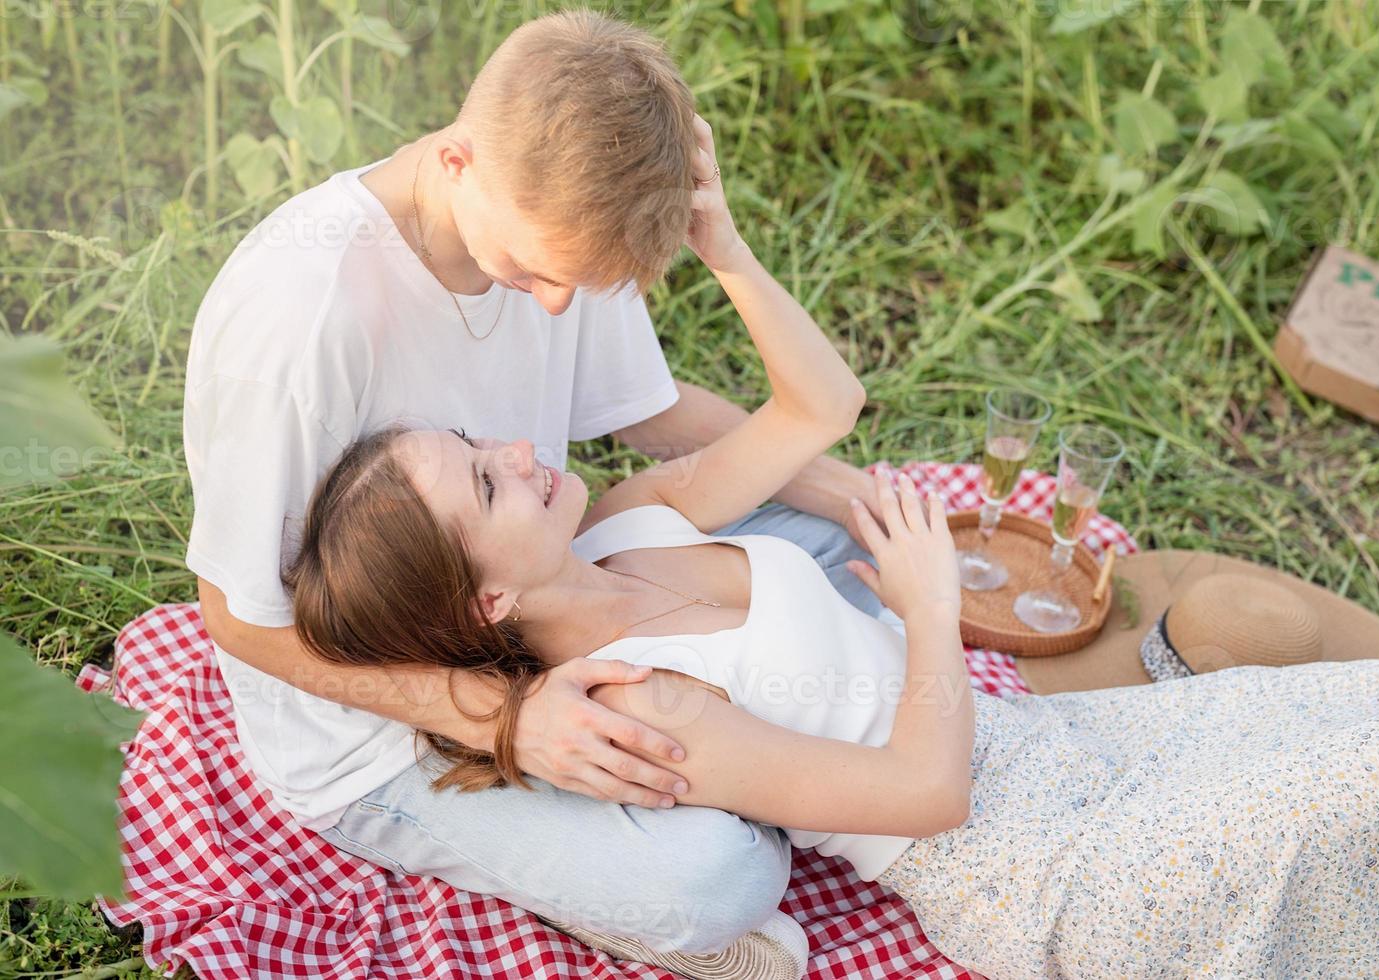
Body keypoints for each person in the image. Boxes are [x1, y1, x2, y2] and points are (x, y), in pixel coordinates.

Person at [284, 123, 1379, 976]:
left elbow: (817, 409)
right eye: (485, 478)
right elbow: (925, 794)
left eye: (476, 441)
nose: (515, 445)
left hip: (1070, 749)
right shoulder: (644, 704)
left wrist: (725, 249)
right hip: (1052, 865)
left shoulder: (627, 517)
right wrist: (922, 603)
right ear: (488, 595)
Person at [182, 11, 887, 953]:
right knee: (718, 881)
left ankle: (757, 760)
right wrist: (507, 720)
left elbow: (650, 408)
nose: (553, 304)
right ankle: (727, 796)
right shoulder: (303, 320)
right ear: (458, 158)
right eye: (531, 272)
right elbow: (236, 615)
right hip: (383, 721)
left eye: (576, 282)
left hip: (539, 603)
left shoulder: (550, 224)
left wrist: (883, 504)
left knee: (832, 547)